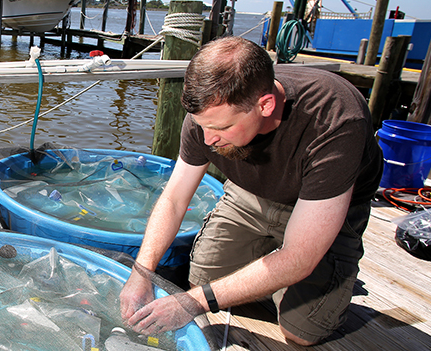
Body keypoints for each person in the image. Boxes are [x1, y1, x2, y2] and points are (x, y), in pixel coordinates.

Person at [120, 36, 383, 346]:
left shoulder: (335, 119)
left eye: (220, 129)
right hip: (250, 195)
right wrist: (142, 272)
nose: (208, 141)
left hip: (324, 207)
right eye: (202, 126)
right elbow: (175, 200)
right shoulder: (208, 116)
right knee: (201, 281)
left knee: (301, 332)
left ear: (265, 105)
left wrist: (193, 302)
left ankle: (309, 278)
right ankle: (271, 268)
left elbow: (300, 256)